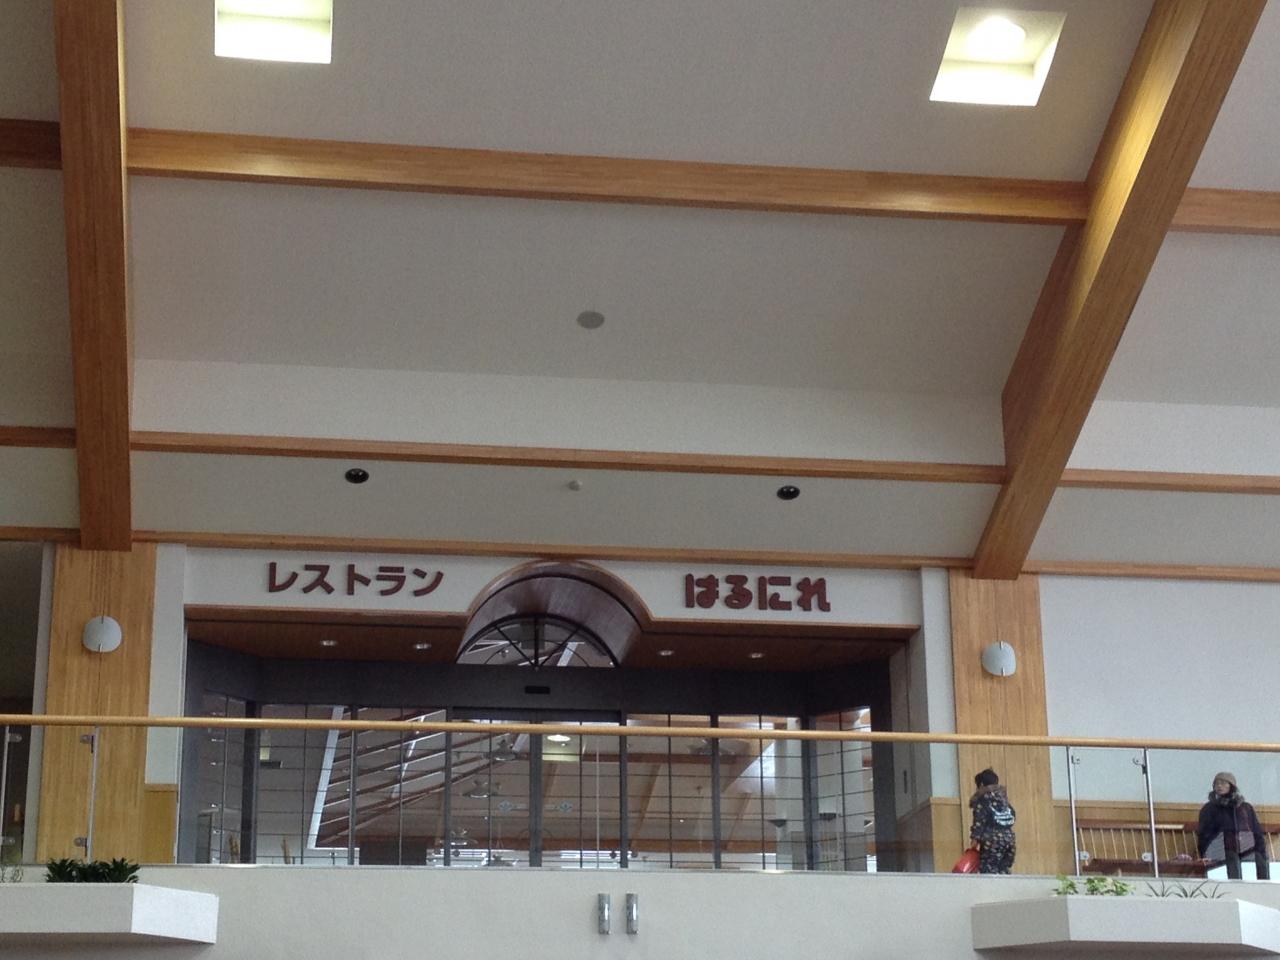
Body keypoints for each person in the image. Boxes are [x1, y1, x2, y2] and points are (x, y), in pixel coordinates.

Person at [1197, 771, 1270, 880]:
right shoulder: (1209, 809)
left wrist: (1261, 848)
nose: (1219, 786)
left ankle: (1264, 886)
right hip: (1219, 849)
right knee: (1232, 856)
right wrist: (1205, 853)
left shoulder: (1245, 808)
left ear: (1231, 786)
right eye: (1216, 784)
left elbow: (1256, 831)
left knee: (1260, 856)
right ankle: (1235, 886)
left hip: (1246, 848)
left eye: (1223, 783)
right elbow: (1204, 834)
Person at [968, 768, 1016, 874]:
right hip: (1009, 839)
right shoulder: (1004, 799)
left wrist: (974, 840)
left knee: (988, 870)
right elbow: (1012, 816)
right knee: (1003, 869)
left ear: (981, 785)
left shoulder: (983, 800)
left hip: (991, 840)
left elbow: (979, 821)